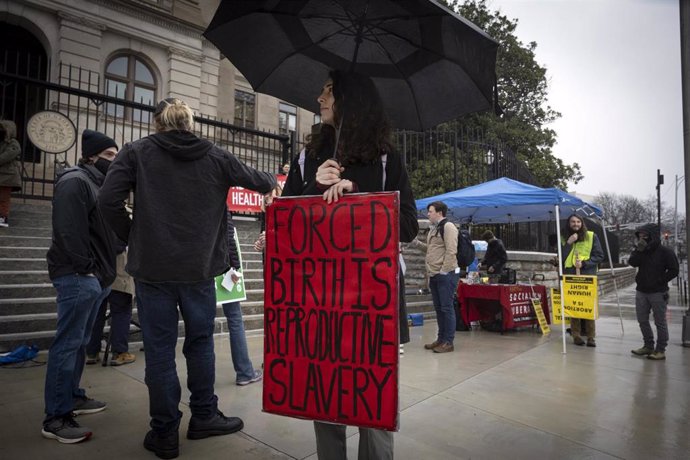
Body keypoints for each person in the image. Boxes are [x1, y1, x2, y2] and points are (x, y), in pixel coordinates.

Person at [98, 97, 276, 459]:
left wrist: (134, 235)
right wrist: (272, 180)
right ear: (189, 123)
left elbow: (107, 202)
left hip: (153, 270)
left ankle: (164, 432)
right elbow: (261, 181)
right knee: (200, 343)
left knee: (160, 350)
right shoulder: (215, 155)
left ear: (158, 123)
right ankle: (205, 415)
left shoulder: (136, 152)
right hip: (198, 270)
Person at [281, 70, 418, 460]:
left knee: (372, 397)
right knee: (325, 395)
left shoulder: (388, 158)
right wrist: (313, 188)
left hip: (373, 300)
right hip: (320, 299)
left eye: (329, 92)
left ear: (350, 100)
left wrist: (360, 194)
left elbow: (407, 224)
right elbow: (283, 223)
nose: (320, 98)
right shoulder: (308, 157)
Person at [42, 129, 118, 444]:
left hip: (94, 276)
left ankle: (72, 396)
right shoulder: (75, 181)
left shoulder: (95, 183)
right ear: (91, 156)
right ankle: (56, 417)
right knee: (68, 344)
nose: (115, 161)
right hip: (78, 276)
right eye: (110, 156)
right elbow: (68, 232)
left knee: (79, 341)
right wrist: (87, 270)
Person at [222, 211, 262, 386]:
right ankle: (245, 372)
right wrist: (236, 268)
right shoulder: (219, 202)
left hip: (200, 269)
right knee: (235, 319)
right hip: (222, 269)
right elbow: (229, 237)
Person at [629, 223, 679, 360]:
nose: (641, 238)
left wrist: (660, 280)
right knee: (642, 320)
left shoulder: (665, 252)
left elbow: (674, 270)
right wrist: (639, 250)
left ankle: (660, 350)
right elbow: (632, 263)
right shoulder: (641, 249)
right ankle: (648, 346)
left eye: (644, 235)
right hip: (641, 291)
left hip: (658, 292)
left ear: (652, 235)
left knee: (660, 322)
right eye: (639, 235)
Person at [85, 239, 136, 366]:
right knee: (121, 313)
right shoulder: (117, 225)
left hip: (98, 278)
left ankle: (92, 353)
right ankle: (119, 353)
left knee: (96, 315)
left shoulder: (95, 222)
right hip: (118, 278)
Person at [416, 201, 459, 354]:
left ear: (439, 213)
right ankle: (441, 339)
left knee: (447, 308)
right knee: (439, 309)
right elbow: (432, 249)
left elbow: (451, 250)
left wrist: (444, 271)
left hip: (445, 275)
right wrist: (416, 243)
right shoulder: (434, 229)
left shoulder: (448, 227)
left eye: (430, 211)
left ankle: (448, 342)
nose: (428, 214)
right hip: (434, 274)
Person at [560, 214, 604, 347]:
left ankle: (591, 337)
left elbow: (599, 255)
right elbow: (561, 256)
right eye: (573, 222)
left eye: (578, 221)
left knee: (588, 306)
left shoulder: (591, 236)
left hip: (587, 275)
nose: (576, 224)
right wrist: (569, 243)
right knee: (574, 306)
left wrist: (584, 264)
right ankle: (576, 335)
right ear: (569, 223)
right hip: (570, 275)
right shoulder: (564, 237)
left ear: (582, 223)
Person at [0, 120, 22, 228]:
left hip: (8, 175)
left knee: (4, 198)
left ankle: (3, 217)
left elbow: (9, 154)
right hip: (2, 174)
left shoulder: (13, 143)